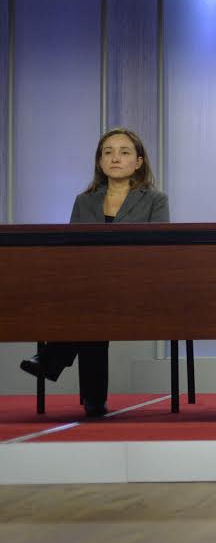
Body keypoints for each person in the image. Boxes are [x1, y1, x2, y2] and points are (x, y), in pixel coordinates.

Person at [19, 127, 170, 418]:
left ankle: (56, 361)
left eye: (124, 152)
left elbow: (160, 250)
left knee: (90, 305)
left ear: (138, 162)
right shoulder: (84, 200)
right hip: (92, 288)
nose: (115, 158)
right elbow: (72, 251)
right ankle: (88, 394)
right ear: (100, 162)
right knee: (92, 304)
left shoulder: (155, 200)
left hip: (138, 287)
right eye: (107, 152)